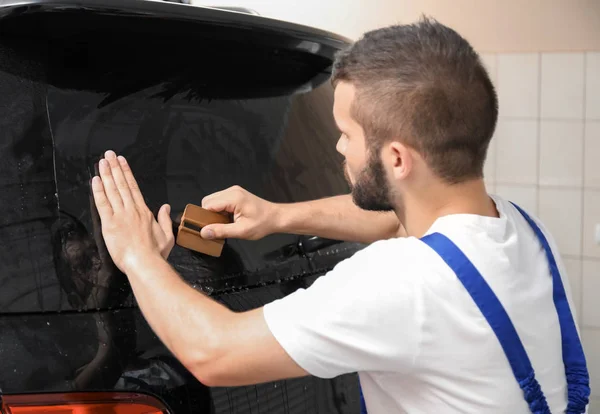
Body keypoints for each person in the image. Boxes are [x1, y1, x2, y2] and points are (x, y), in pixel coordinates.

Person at [90, 17, 590, 414]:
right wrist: (275, 216)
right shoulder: (521, 227)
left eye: (347, 134)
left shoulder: (403, 283)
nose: (337, 147)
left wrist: (138, 257)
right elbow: (395, 220)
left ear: (397, 159)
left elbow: (213, 354)